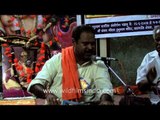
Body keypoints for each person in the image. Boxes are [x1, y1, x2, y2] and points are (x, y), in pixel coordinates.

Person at [27, 25, 114, 105]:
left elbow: (104, 87)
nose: (90, 47)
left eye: (92, 43)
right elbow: (35, 85)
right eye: (85, 44)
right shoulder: (57, 60)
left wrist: (105, 100)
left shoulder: (98, 64)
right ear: (74, 42)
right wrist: (48, 94)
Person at [136, 25, 160, 105]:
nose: (159, 43)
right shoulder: (149, 58)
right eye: (157, 40)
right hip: (155, 103)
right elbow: (140, 87)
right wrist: (149, 81)